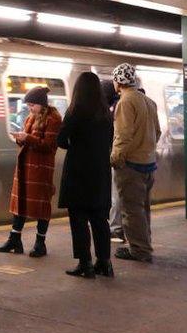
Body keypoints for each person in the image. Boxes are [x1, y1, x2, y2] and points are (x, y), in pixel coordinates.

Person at [57, 72, 114, 279]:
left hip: (78, 172)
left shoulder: (75, 112)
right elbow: (110, 141)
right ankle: (105, 263)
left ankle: (85, 264)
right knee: (100, 219)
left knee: (79, 219)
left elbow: (61, 140)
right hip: (100, 171)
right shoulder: (106, 114)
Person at [0, 86, 62, 257]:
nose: (29, 108)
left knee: (41, 206)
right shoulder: (30, 118)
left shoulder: (54, 119)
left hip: (40, 169)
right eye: (28, 105)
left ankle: (40, 243)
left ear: (42, 104)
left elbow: (48, 145)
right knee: (20, 205)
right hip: (25, 167)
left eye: (32, 104)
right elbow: (28, 140)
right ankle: (15, 240)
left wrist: (28, 138)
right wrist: (20, 139)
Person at [110, 63, 161, 263]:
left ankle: (139, 250)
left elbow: (122, 135)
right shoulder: (148, 101)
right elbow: (157, 132)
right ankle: (144, 245)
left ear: (118, 81)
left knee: (131, 210)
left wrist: (116, 158)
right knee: (143, 209)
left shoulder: (125, 101)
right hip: (148, 163)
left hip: (131, 165)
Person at [102, 80, 125, 243]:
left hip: (118, 157)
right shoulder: (118, 106)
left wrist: (114, 156)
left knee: (117, 194)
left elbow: (119, 135)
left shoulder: (118, 109)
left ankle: (116, 228)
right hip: (120, 156)